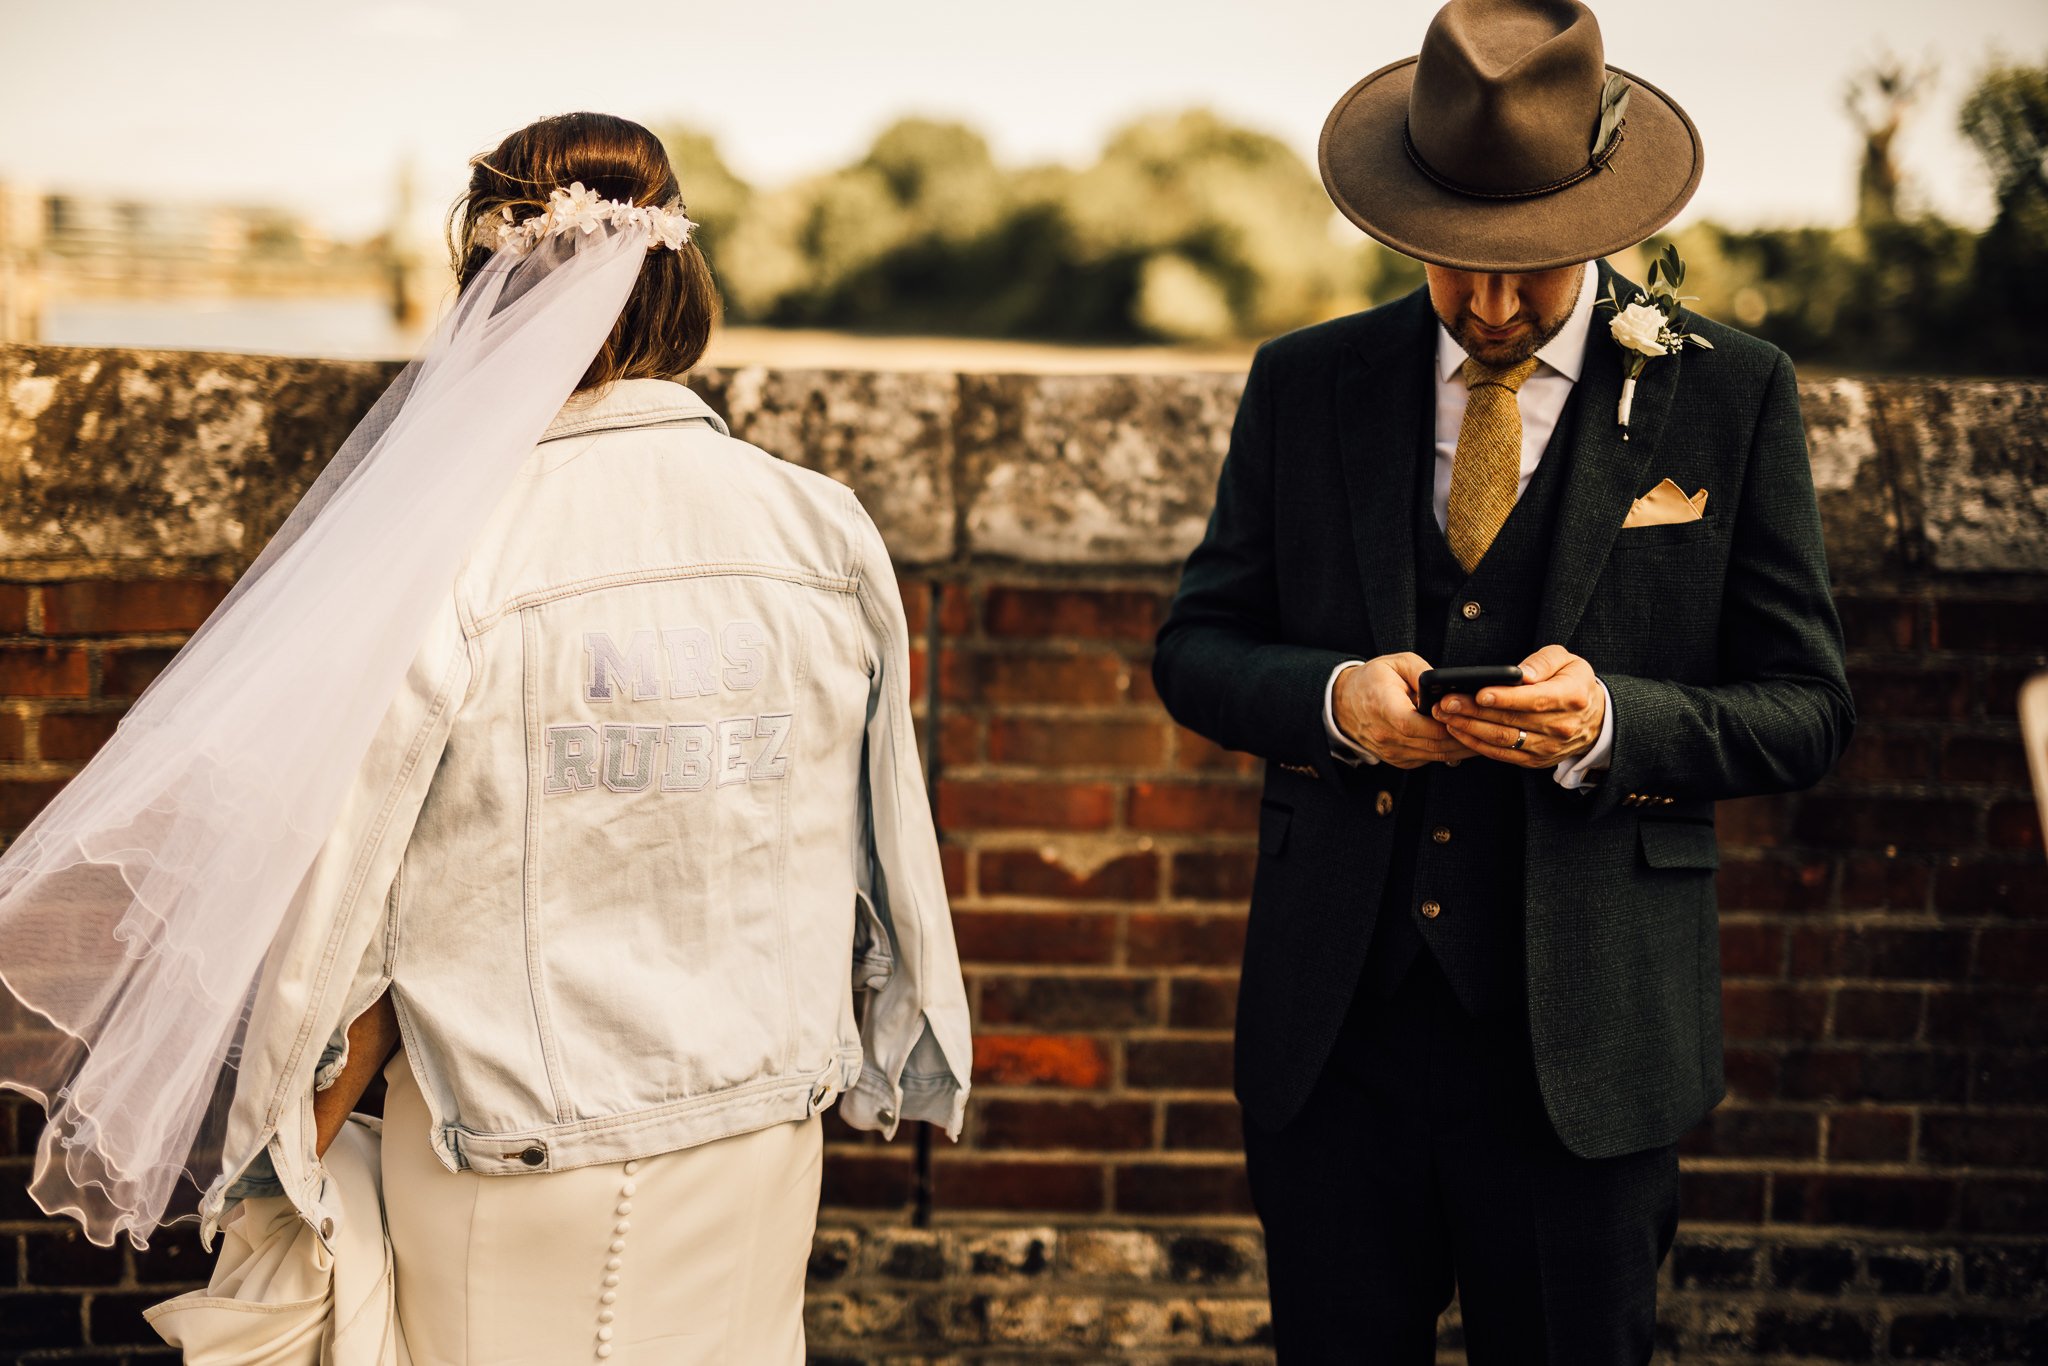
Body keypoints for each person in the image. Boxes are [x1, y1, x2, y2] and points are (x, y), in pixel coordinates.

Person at [0, 113, 970, 1365]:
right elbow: (881, 826)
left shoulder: (455, 542)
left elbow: (357, 898)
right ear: (683, 280)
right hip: (763, 1118)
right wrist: (903, 1032)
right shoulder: (821, 526)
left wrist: (284, 1137)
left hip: (518, 1144)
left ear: (487, 289)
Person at [1152, 3, 1853, 1361]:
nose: (1489, 303)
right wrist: (1335, 699)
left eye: (1529, 268)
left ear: (1606, 216)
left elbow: (1807, 705)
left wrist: (1609, 722)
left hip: (1587, 1046)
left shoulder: (1733, 392)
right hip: (1336, 1036)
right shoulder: (1306, 383)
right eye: (1455, 262)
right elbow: (1196, 648)